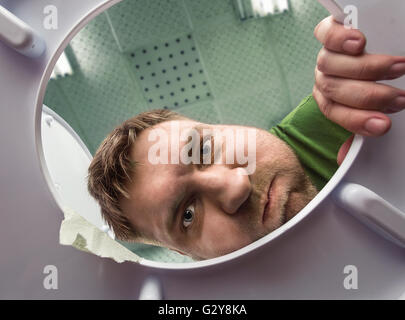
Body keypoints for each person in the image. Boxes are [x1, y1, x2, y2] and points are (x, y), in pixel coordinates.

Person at [87, 17, 405, 261]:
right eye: (187, 216)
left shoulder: (345, 111)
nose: (236, 186)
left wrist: (378, 28)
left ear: (225, 126)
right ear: (191, 256)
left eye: (204, 148)